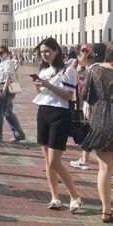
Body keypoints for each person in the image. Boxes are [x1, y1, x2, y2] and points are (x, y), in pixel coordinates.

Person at [32, 37, 82, 212]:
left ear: (56, 51)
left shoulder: (68, 71)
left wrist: (48, 85)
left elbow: (68, 96)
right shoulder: (44, 70)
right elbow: (42, 92)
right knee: (47, 160)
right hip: (43, 111)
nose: (44, 54)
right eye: (42, 51)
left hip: (60, 114)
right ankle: (55, 197)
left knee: (54, 161)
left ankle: (74, 195)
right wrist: (39, 85)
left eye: (47, 51)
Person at [79, 40, 113, 222]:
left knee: (105, 168)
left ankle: (106, 210)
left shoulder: (95, 69)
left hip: (101, 119)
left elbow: (85, 95)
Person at [70, 43, 106, 171]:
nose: (79, 58)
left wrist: (88, 105)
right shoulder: (98, 68)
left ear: (87, 55)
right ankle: (85, 159)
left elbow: (88, 92)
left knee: (91, 131)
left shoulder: (93, 69)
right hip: (100, 106)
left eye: (80, 55)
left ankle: (86, 160)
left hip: (95, 106)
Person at [0, 45, 25, 143]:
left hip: (7, 88)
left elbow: (9, 77)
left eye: (1, 53)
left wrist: (5, 90)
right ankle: (19, 134)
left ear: (6, 53)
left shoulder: (8, 62)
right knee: (8, 112)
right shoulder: (3, 62)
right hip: (4, 87)